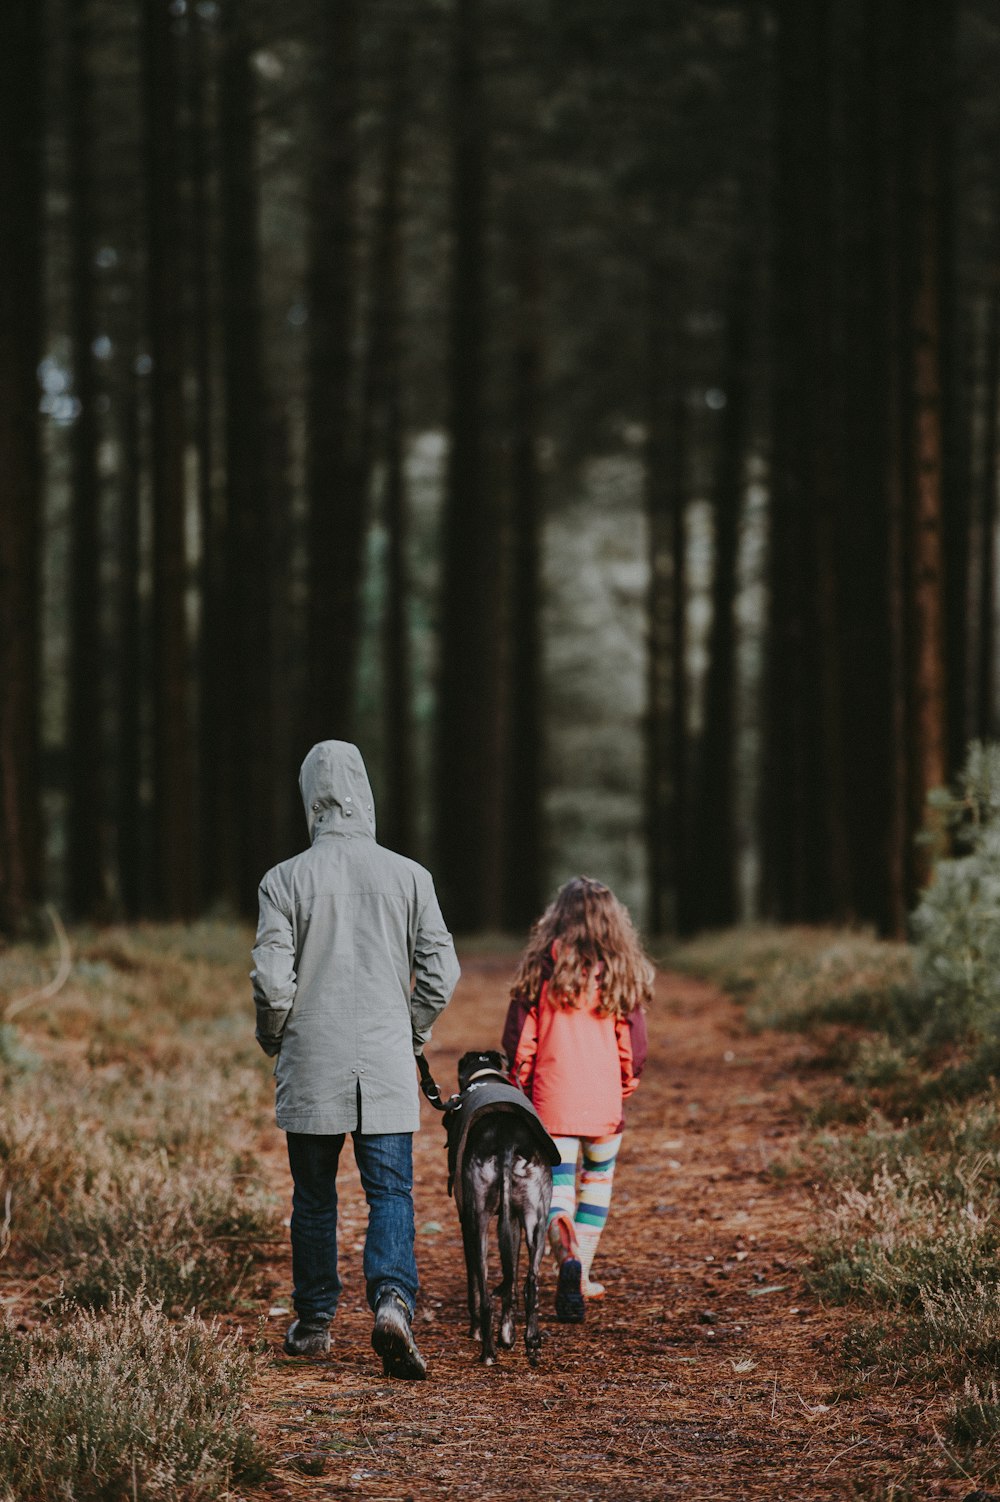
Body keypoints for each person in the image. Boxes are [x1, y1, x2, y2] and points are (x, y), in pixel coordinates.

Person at [251, 740, 460, 1379]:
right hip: (388, 1061)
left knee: (313, 1199)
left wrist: (275, 1036)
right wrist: (412, 1031)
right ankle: (393, 1301)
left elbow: (272, 982)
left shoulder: (284, 879)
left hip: (310, 1059)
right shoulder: (410, 876)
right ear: (366, 793)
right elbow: (441, 971)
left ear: (310, 797)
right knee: (391, 1192)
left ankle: (314, 1325)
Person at [501, 876, 653, 1322]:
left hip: (553, 1104)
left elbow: (520, 1042)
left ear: (557, 918)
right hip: (605, 1103)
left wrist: (519, 1085)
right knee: (598, 1185)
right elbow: (634, 1045)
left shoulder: (541, 971)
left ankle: (565, 1257)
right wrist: (626, 1084)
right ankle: (582, 1275)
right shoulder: (620, 972)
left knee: (558, 1190)